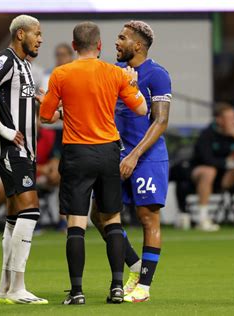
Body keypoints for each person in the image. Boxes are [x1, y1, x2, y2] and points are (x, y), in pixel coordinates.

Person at [39, 21, 148, 305]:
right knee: (112, 218)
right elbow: (141, 109)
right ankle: (115, 288)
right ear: (99, 46)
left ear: (74, 46)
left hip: (76, 153)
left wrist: (63, 111)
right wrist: (133, 85)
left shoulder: (61, 74)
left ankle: (77, 292)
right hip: (108, 152)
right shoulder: (115, 73)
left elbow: (45, 116)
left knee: (76, 222)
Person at [89, 20, 171, 303]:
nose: (116, 42)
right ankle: (137, 267)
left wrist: (135, 156)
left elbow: (160, 121)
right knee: (99, 215)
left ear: (137, 45)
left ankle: (144, 288)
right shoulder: (113, 74)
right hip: (116, 156)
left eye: (122, 38)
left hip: (147, 158)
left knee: (148, 218)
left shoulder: (157, 75)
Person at [0, 15, 48, 304]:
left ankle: (5, 288)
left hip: (25, 149)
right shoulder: (6, 60)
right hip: (11, 148)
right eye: (36, 34)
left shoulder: (25, 66)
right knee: (30, 210)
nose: (40, 39)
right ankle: (18, 287)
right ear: (20, 35)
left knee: (16, 215)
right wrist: (2, 128)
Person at [191, 103, 234, 231]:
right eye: (229, 118)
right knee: (209, 171)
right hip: (202, 174)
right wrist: (226, 162)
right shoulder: (207, 134)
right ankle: (203, 218)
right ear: (219, 119)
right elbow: (207, 160)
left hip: (226, 176)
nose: (233, 122)